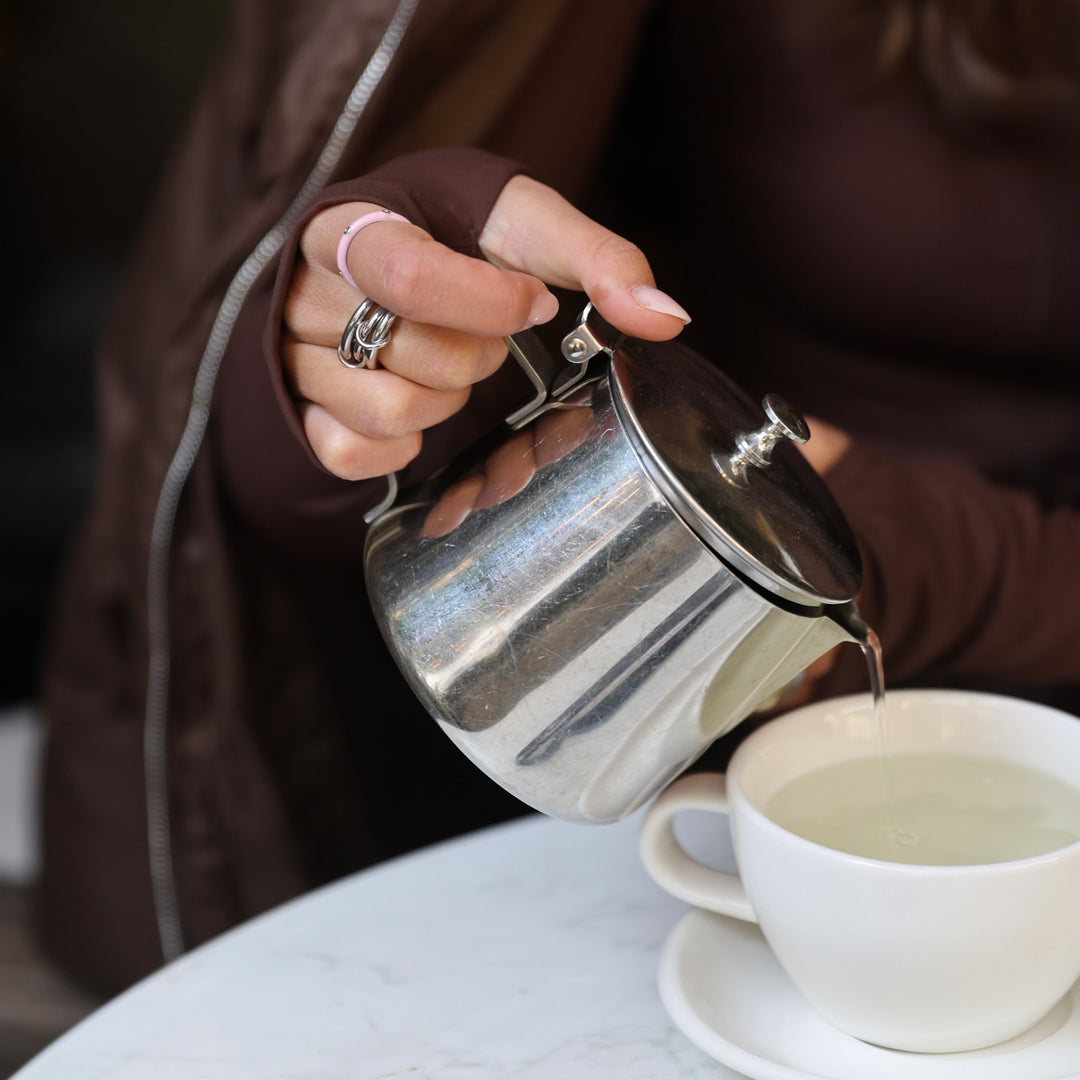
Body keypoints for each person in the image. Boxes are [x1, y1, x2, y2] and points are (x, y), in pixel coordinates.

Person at [41, 0, 1080, 993]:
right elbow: (268, 511)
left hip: (819, 593)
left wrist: (936, 554)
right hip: (664, 747)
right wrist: (380, 337)